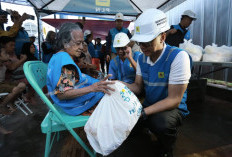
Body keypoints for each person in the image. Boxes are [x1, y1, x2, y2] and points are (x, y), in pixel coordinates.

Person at [125, 9, 192, 157]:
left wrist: (143, 112)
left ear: (162, 37)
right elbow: (137, 86)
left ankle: (167, 148)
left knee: (161, 123)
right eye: (139, 43)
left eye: (147, 43)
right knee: (129, 127)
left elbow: (174, 100)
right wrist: (118, 85)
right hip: (150, 105)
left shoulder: (178, 57)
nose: (142, 47)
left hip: (172, 108)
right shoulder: (142, 59)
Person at [47, 23, 114, 116]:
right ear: (65, 43)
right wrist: (92, 88)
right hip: (74, 106)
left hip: (69, 104)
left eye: (82, 43)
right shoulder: (66, 62)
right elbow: (62, 94)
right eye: (78, 43)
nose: (81, 47)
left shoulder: (58, 57)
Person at [0, 46, 26, 115]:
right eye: (5, 54)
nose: (8, 55)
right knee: (17, 88)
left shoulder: (4, 63)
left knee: (22, 85)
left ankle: (11, 102)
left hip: (3, 83)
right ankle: (2, 105)